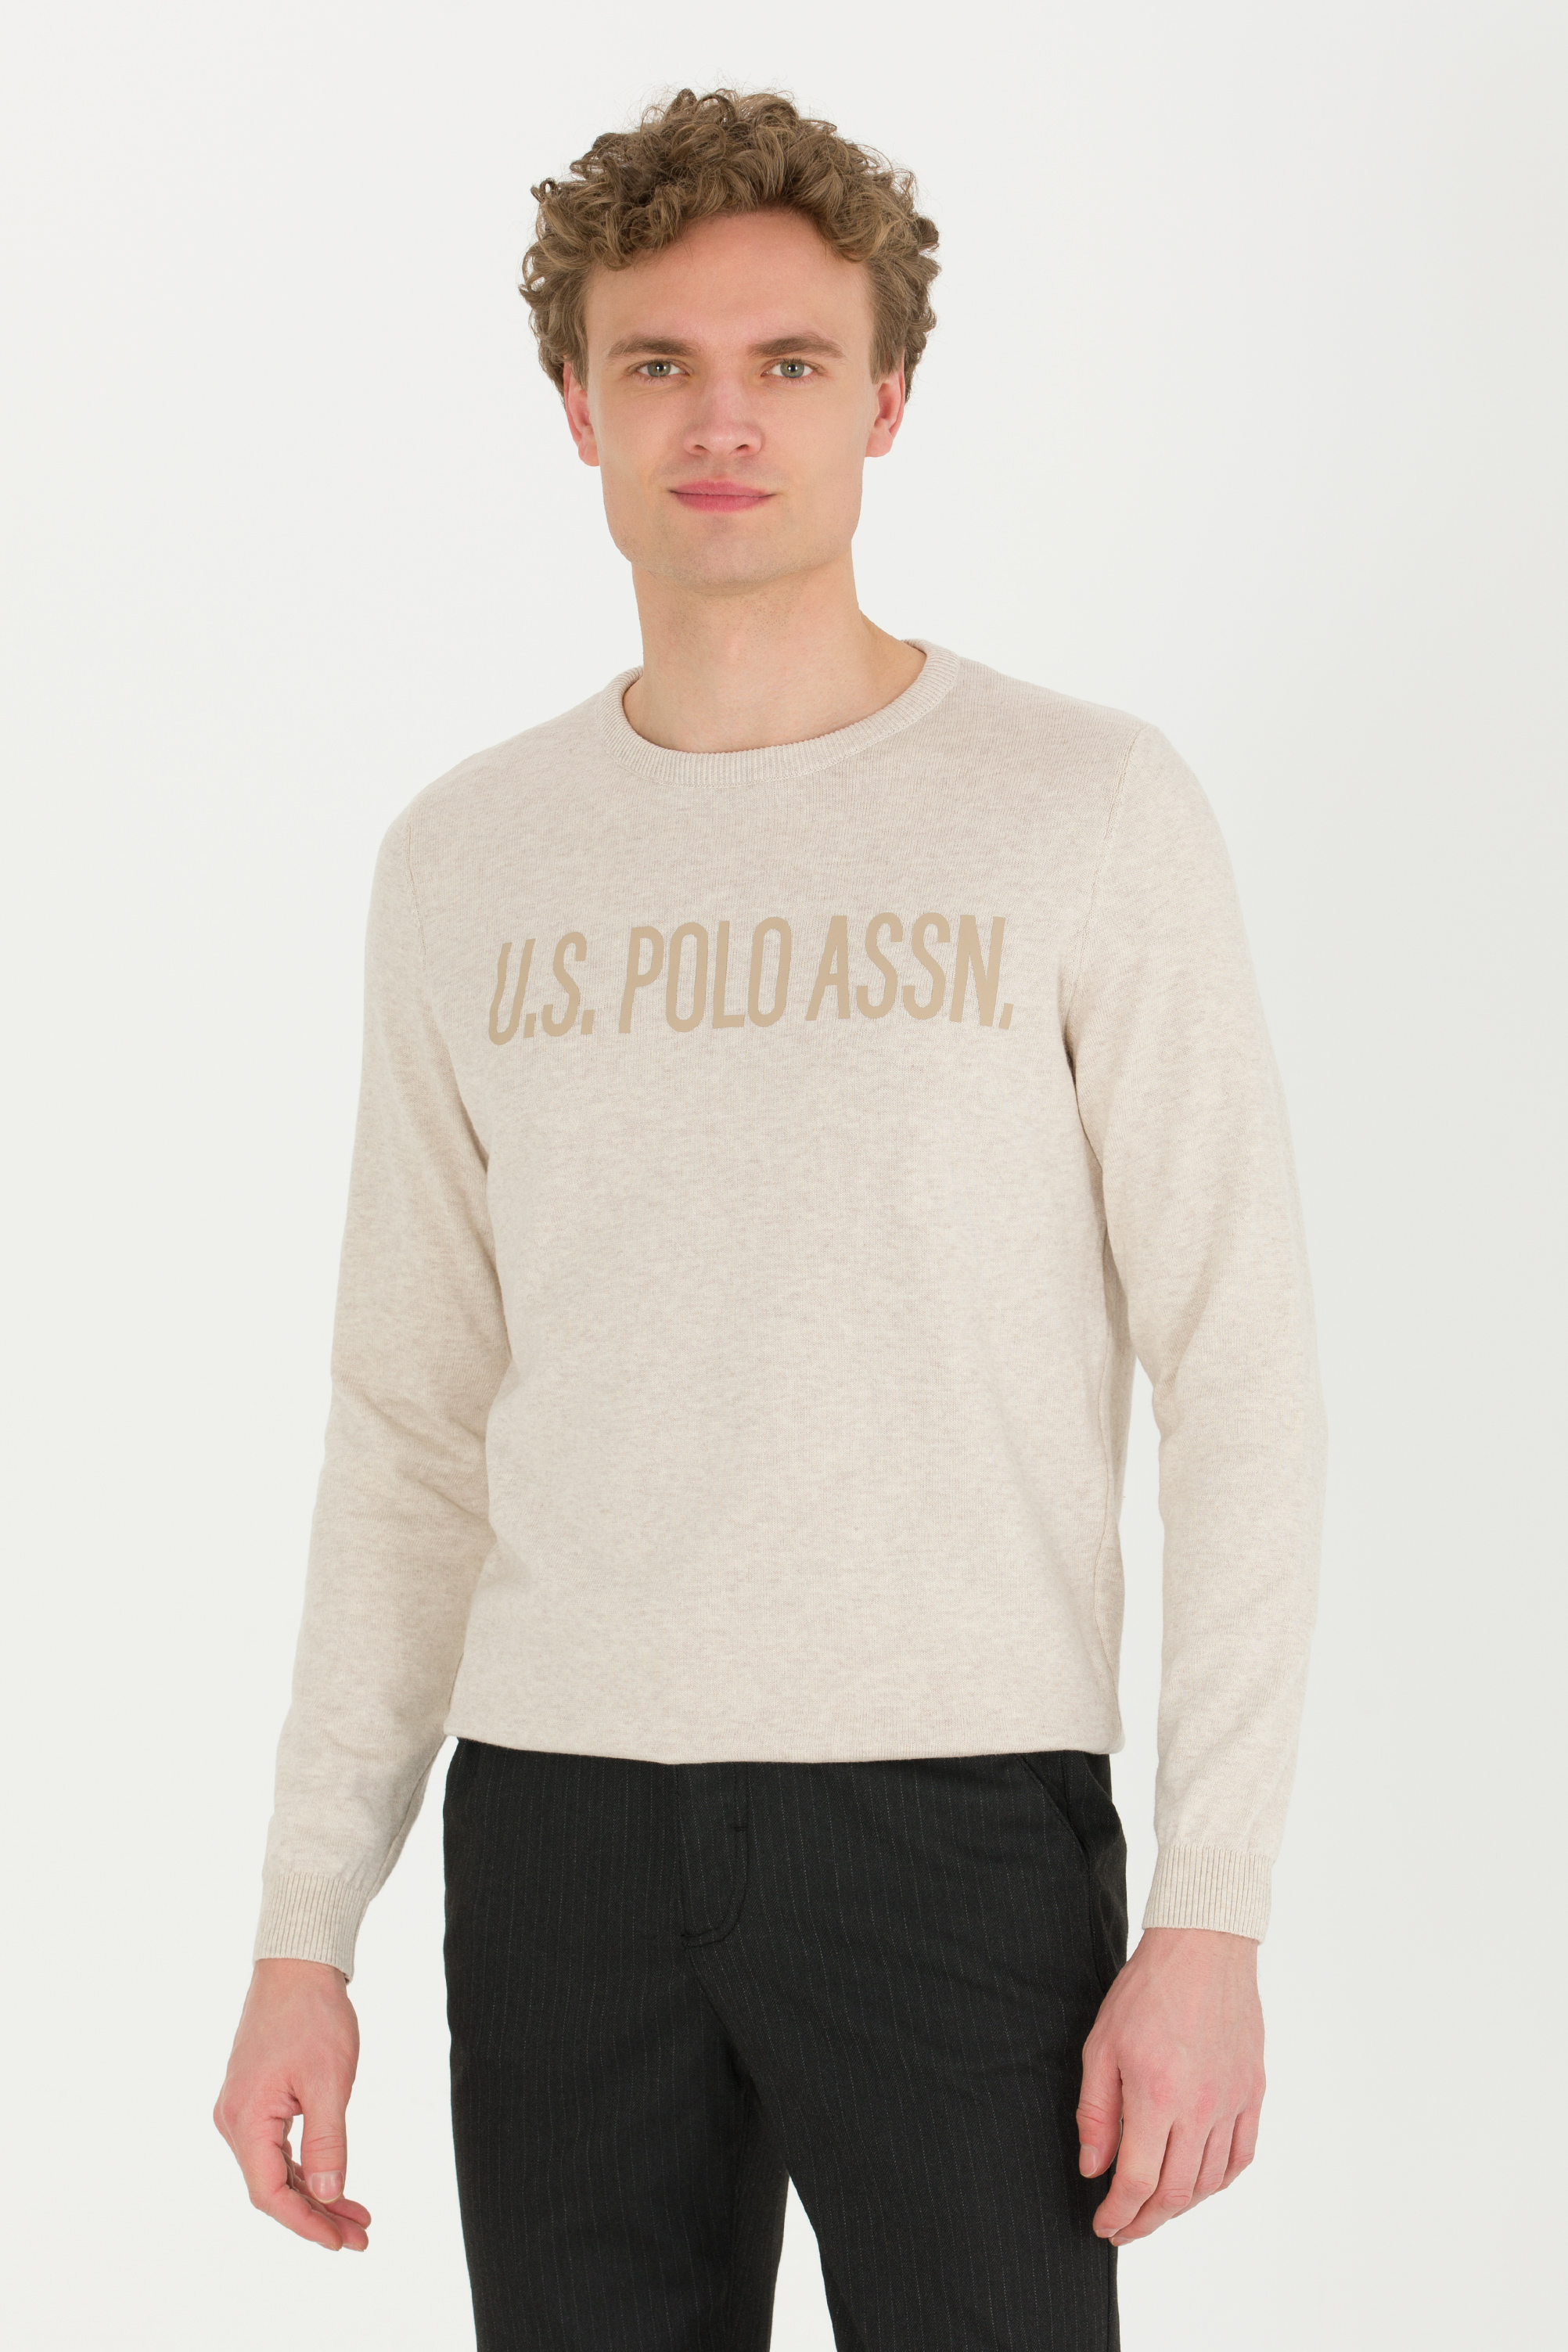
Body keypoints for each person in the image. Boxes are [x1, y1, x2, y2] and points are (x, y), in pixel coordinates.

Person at [214, 85, 1327, 2352]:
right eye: (660, 363)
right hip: (558, 1838)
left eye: (789, 362)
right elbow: (409, 1421)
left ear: (885, 397)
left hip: (951, 1830)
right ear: (578, 406)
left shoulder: (1081, 809)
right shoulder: (467, 859)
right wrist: (301, 1932)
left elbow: (1241, 1375)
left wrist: (1209, 1913)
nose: (721, 422)